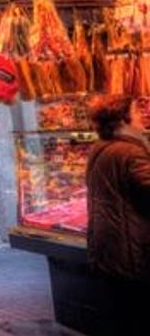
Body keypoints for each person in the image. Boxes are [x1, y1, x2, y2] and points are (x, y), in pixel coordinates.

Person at [85, 95, 150, 322]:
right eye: (136, 111)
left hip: (107, 244)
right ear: (123, 119)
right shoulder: (130, 151)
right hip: (128, 248)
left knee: (119, 314)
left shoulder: (100, 147)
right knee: (135, 316)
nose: (142, 116)